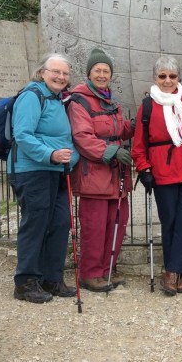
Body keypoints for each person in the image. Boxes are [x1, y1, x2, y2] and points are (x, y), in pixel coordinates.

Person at [131, 56, 182, 295]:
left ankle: (174, 271)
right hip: (163, 170)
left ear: (178, 78)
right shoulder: (148, 105)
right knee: (170, 220)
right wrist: (144, 168)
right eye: (162, 76)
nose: (167, 80)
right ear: (155, 78)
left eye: (172, 76)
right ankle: (176, 271)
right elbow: (139, 143)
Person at [9, 53, 80, 303]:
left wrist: (69, 158)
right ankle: (26, 281)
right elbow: (23, 135)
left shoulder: (57, 99)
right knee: (36, 223)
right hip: (32, 171)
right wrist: (50, 154)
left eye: (65, 73)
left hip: (56, 171)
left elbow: (64, 138)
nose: (61, 77)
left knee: (60, 223)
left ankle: (52, 278)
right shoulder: (32, 96)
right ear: (42, 72)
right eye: (56, 72)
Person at [67, 48, 135, 293]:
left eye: (106, 71)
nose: (102, 74)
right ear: (89, 73)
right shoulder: (79, 100)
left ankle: (106, 271)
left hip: (116, 175)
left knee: (117, 222)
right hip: (94, 173)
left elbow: (115, 130)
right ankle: (90, 274)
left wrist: (132, 127)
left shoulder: (109, 100)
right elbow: (82, 137)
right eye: (98, 70)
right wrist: (112, 152)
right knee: (95, 226)